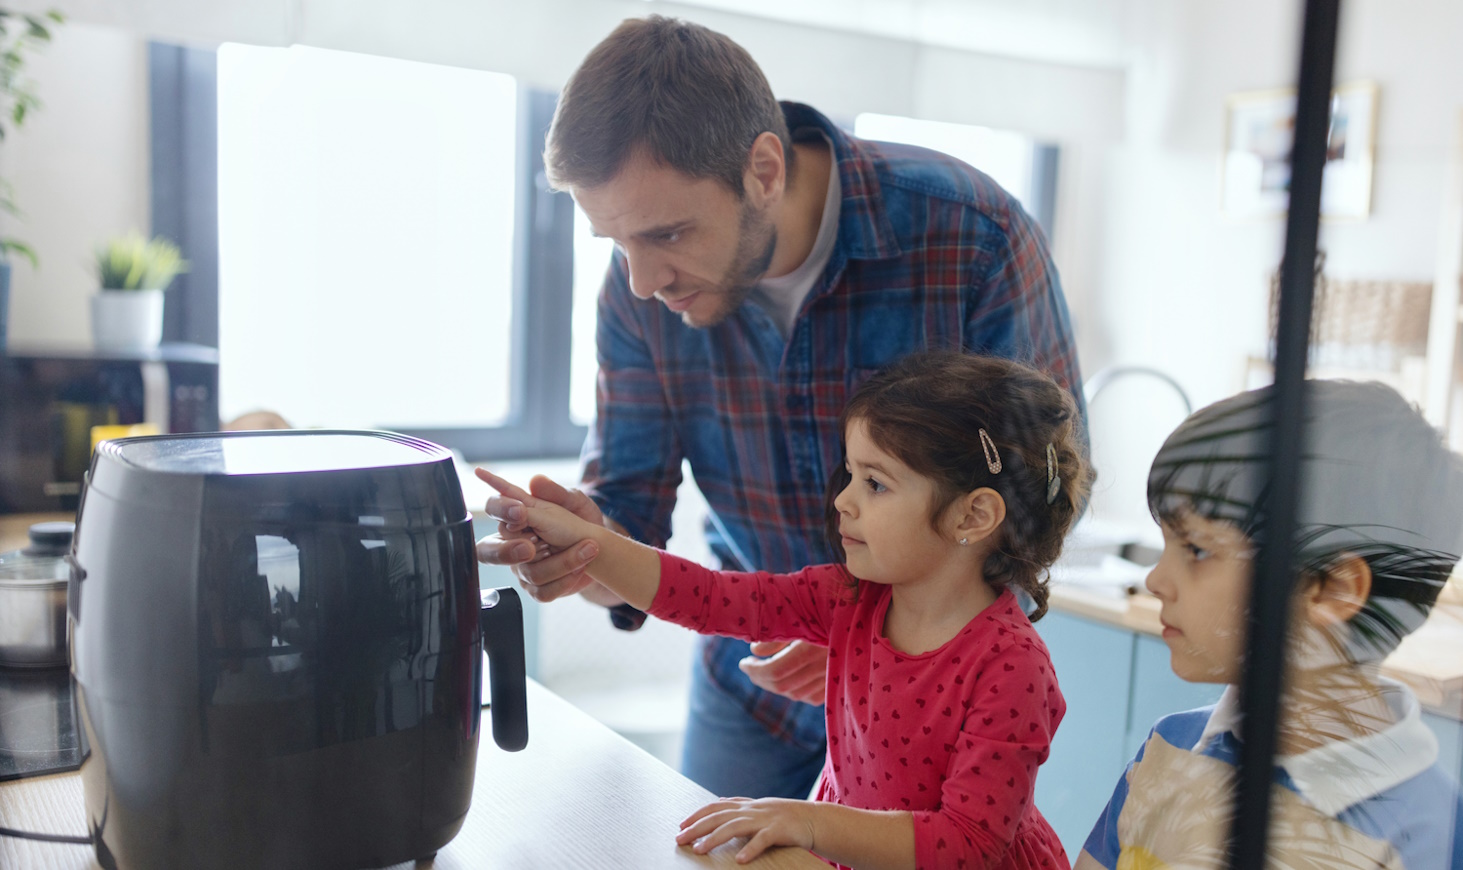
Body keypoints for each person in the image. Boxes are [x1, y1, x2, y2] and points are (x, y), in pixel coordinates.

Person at [476, 14, 1085, 801]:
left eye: (667, 232)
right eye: (615, 243)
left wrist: (881, 631)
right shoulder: (635, 300)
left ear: (763, 169)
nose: (641, 281)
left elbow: (1040, 491)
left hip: (932, 687)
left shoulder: (971, 235)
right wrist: (582, 549)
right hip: (750, 688)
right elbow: (628, 519)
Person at [482, 351, 1091, 869]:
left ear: (972, 516)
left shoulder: (1012, 667)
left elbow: (969, 844)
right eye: (850, 475)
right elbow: (710, 598)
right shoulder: (849, 598)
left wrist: (811, 822)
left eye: (875, 484)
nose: (843, 502)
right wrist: (588, 544)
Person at [1075, 380, 1463, 870]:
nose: (1156, 580)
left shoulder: (1428, 832)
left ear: (1333, 590)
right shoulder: (1170, 747)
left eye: (1197, 549)